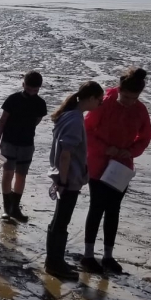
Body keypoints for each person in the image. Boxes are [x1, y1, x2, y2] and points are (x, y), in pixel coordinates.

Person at [82, 67, 151, 275]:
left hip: (121, 166)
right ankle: (88, 255)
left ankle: (108, 256)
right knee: (96, 208)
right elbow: (87, 130)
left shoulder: (139, 109)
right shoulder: (104, 103)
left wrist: (130, 151)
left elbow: (146, 137)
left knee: (113, 210)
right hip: (98, 163)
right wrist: (105, 149)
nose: (129, 102)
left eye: (134, 98)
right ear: (119, 90)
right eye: (126, 97)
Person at [45, 81, 104, 279]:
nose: (100, 104)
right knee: (62, 221)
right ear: (90, 98)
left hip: (63, 176)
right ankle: (55, 264)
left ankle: (53, 261)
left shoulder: (69, 115)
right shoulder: (76, 120)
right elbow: (65, 155)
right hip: (68, 179)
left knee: (58, 221)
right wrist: (63, 181)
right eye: (99, 100)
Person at [0, 70, 49, 224]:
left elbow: (37, 120)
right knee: (8, 174)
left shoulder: (40, 103)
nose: (31, 92)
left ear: (39, 88)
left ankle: (15, 207)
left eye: (35, 90)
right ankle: (7, 208)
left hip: (27, 144)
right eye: (28, 89)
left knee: (21, 175)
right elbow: (2, 120)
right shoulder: (13, 99)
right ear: (23, 84)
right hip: (9, 142)